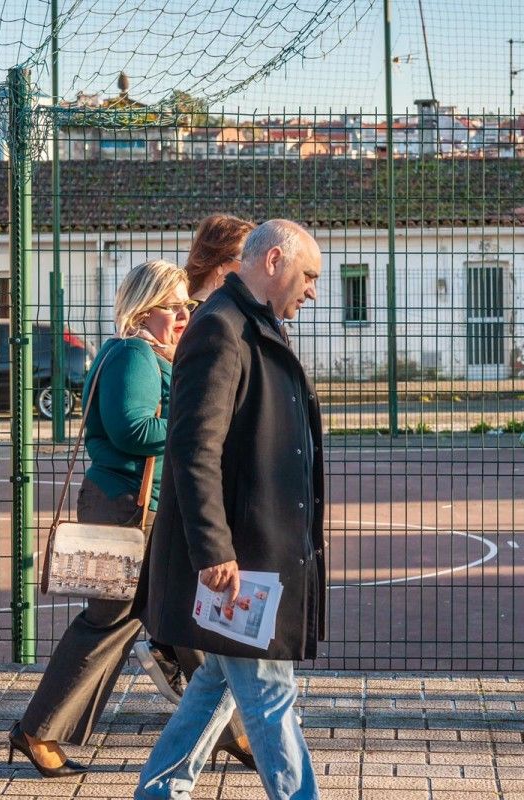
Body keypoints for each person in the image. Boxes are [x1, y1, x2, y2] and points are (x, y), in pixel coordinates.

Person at [135, 219, 325, 800]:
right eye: (310, 275)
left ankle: (158, 791)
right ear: (273, 260)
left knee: (217, 681)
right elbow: (195, 450)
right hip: (243, 557)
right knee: (269, 694)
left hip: (257, 549)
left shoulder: (250, 323)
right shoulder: (220, 328)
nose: (313, 290)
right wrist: (214, 551)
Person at [8, 260, 194, 778]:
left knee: (162, 617)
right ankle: (37, 728)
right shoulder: (135, 353)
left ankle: (232, 727)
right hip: (127, 509)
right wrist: (195, 423)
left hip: (134, 505)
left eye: (186, 305)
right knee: (112, 620)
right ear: (144, 308)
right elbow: (132, 430)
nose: (183, 314)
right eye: (173, 306)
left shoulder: (145, 352)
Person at [183, 214, 255, 306]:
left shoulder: (196, 306)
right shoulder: (212, 314)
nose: (253, 267)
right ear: (220, 265)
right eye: (245, 259)